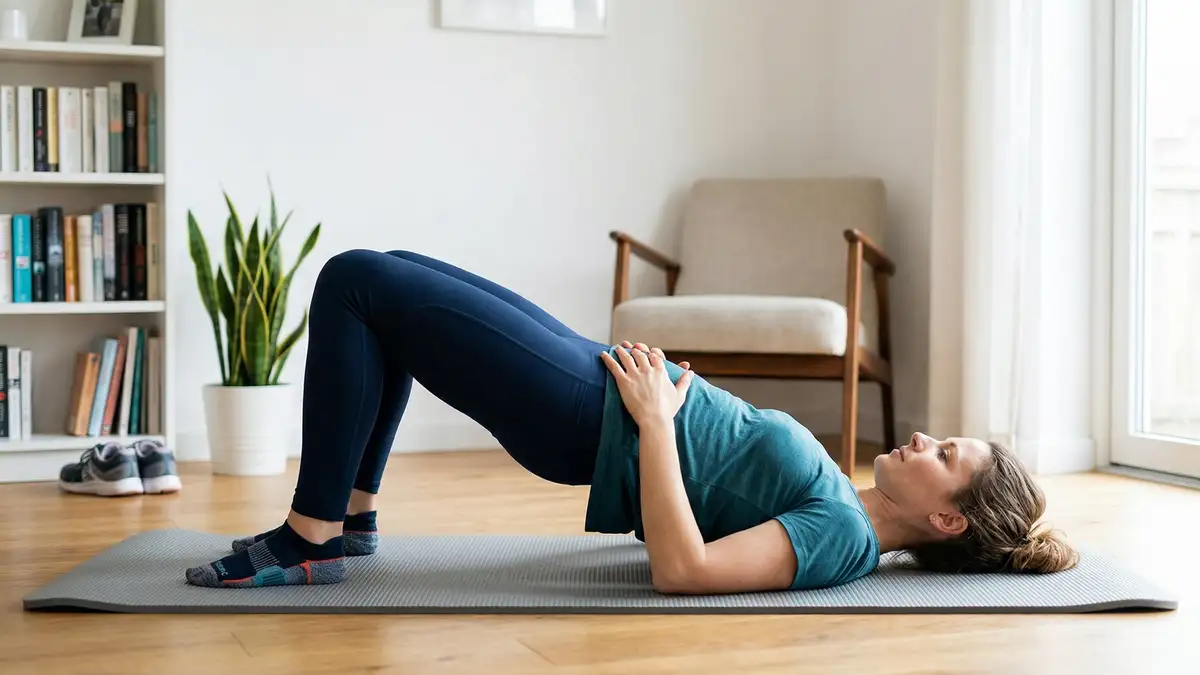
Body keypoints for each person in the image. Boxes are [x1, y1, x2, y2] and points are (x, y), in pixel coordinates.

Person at [185, 249, 1079, 591]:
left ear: (947, 516)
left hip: (589, 417)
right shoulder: (844, 504)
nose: (923, 437)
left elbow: (685, 570)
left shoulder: (842, 540)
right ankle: (353, 517)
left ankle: (312, 532)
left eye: (945, 452)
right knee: (388, 275)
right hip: (603, 384)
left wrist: (656, 420)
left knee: (353, 281)